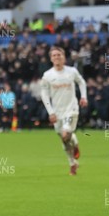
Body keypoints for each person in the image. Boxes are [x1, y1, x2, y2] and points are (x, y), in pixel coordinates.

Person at [40, 46, 88, 176]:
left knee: (65, 133)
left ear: (64, 57)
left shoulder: (71, 71)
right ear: (51, 58)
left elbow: (81, 82)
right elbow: (44, 94)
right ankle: (72, 163)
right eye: (54, 55)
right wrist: (51, 112)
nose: (57, 57)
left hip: (71, 109)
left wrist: (83, 97)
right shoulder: (48, 75)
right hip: (57, 112)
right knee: (63, 138)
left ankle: (73, 142)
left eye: (59, 55)